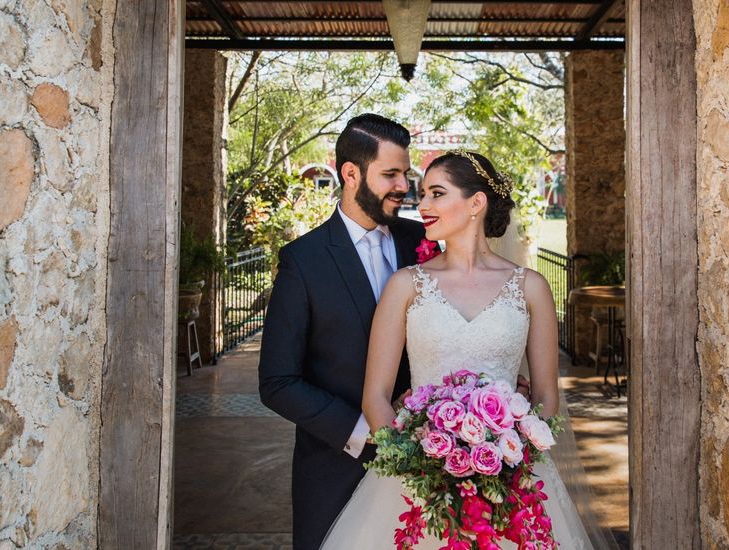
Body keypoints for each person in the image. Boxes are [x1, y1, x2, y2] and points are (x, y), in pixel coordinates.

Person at [320, 150, 616, 549]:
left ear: (476, 203)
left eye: (436, 193)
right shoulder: (406, 286)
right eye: (423, 194)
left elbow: (546, 398)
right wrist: (422, 464)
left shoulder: (530, 288)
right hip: (417, 482)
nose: (422, 205)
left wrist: (506, 461)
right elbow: (375, 397)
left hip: (511, 481)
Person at [258, 113, 426, 550]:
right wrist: (364, 432)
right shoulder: (303, 260)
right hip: (336, 468)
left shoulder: (423, 241)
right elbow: (278, 382)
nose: (403, 186)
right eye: (390, 174)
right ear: (350, 174)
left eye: (404, 173)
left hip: (427, 468)